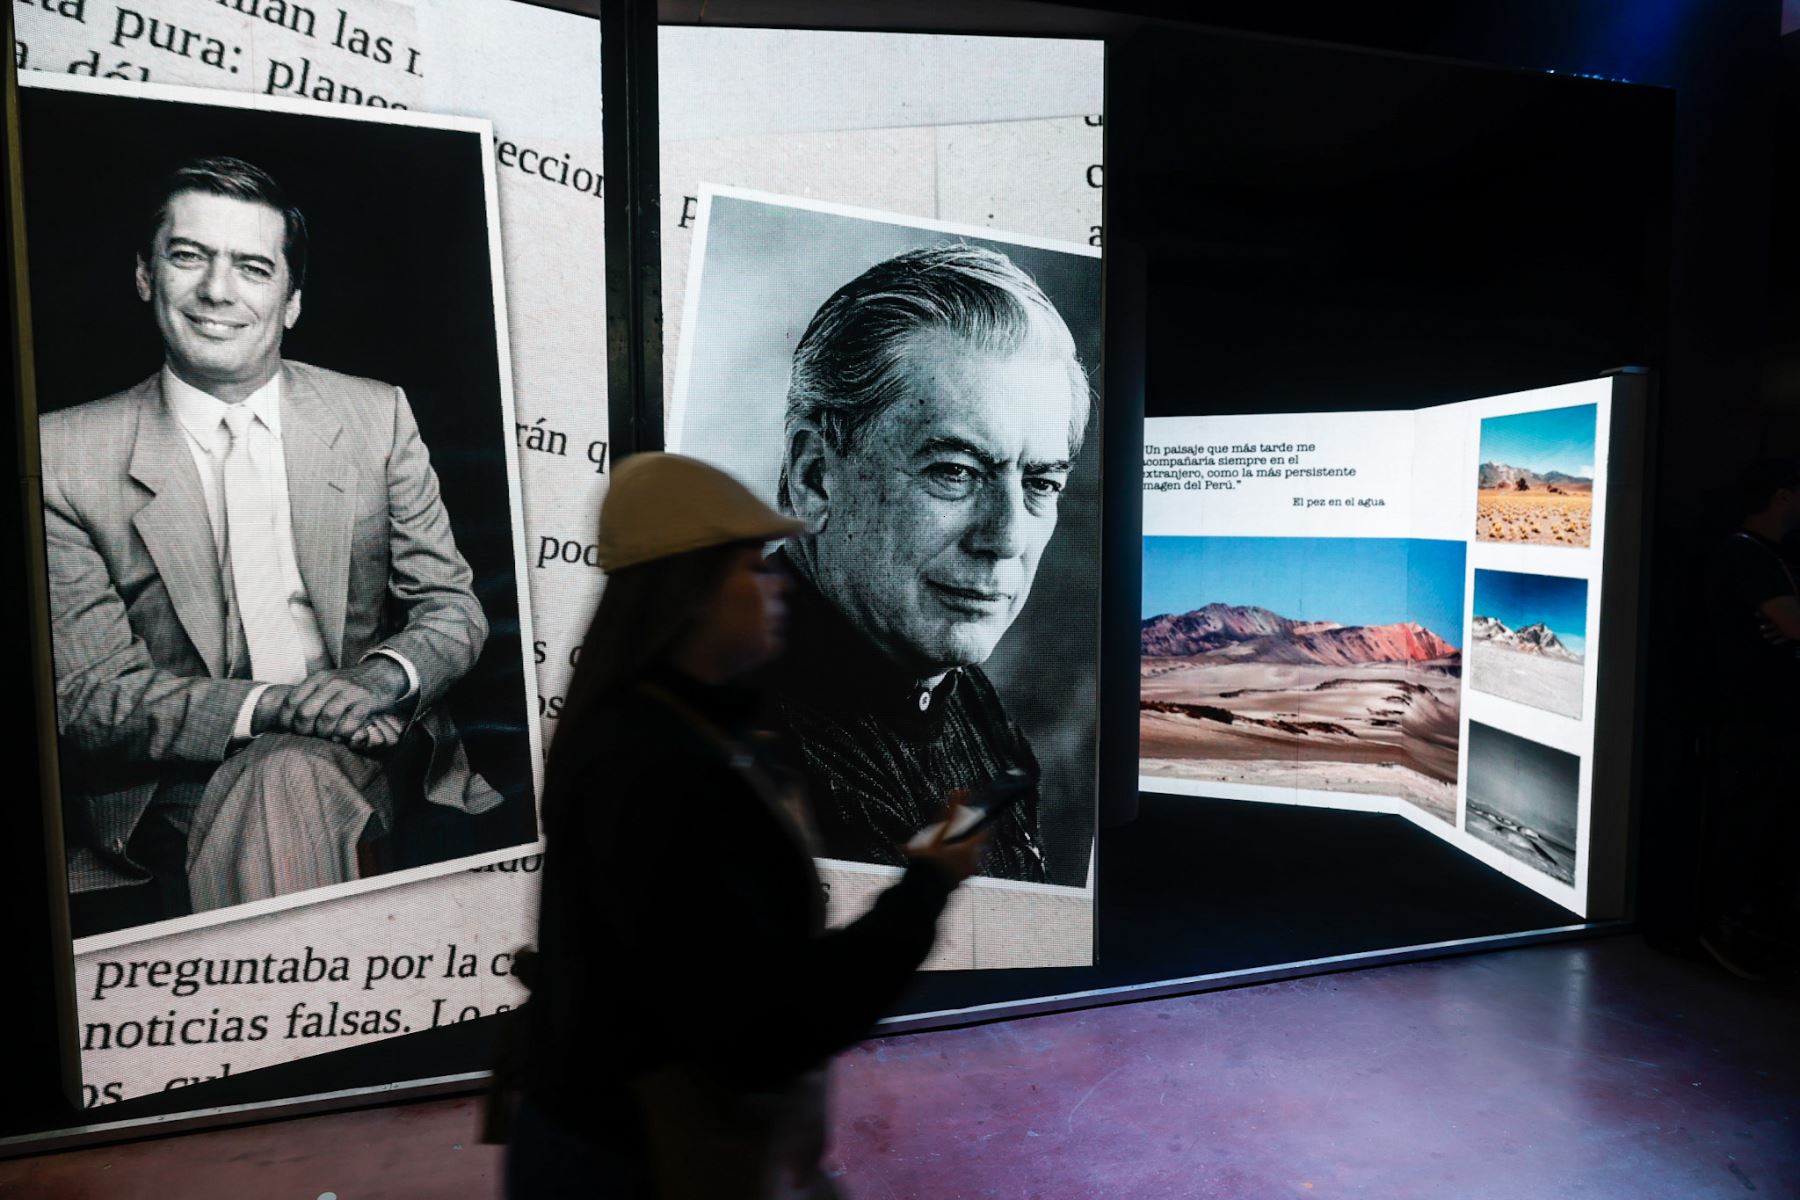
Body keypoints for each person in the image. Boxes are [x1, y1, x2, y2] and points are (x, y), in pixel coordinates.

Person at [508, 452, 987, 1199]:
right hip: (639, 1164)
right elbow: (774, 1024)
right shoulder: (662, 771)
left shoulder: (656, 727)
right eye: (753, 569)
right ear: (691, 595)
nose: (777, 584)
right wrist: (928, 884)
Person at [40, 155, 499, 927]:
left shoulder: (375, 415)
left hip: (376, 745)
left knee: (287, 779)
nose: (218, 292)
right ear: (146, 276)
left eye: (253, 268)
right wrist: (286, 709)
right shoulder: (60, 454)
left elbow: (452, 609)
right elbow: (91, 699)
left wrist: (379, 680)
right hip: (173, 782)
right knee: (283, 776)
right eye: (188, 257)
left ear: (289, 301)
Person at [762, 244, 1092, 884]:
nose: (1004, 539)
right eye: (955, 472)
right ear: (816, 477)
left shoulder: (966, 699)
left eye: (1040, 484)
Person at [1698, 454, 1800, 979]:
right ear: (1781, 496)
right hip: (1753, 718)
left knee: (1764, 823)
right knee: (1748, 822)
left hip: (1765, 717)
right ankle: (1727, 930)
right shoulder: (1746, 555)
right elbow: (1791, 624)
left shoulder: (1764, 555)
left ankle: (1748, 927)